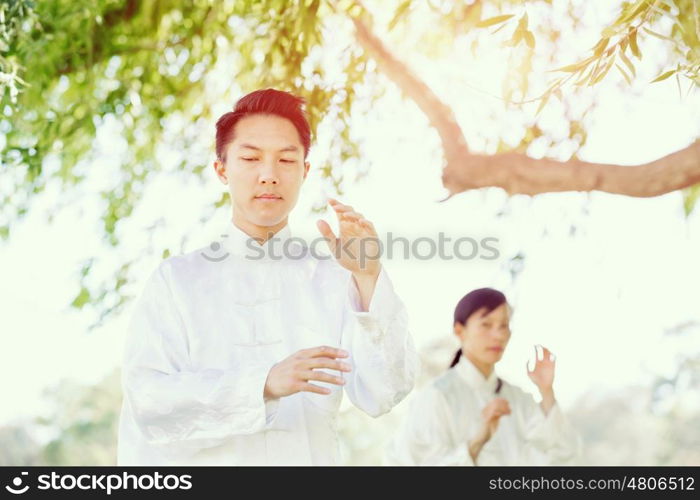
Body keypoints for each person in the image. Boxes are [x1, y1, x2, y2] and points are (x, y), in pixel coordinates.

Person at [117, 88, 419, 465]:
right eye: (250, 158)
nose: (269, 176)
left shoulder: (334, 277)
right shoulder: (178, 280)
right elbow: (149, 399)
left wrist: (369, 279)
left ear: (305, 171)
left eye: (286, 160)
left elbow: (383, 392)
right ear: (222, 169)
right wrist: (262, 384)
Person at [385, 287, 580, 465]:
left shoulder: (517, 399)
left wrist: (546, 391)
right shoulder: (436, 396)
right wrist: (477, 442)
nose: (498, 335)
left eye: (504, 325)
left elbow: (563, 455)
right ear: (459, 330)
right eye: (486, 324)